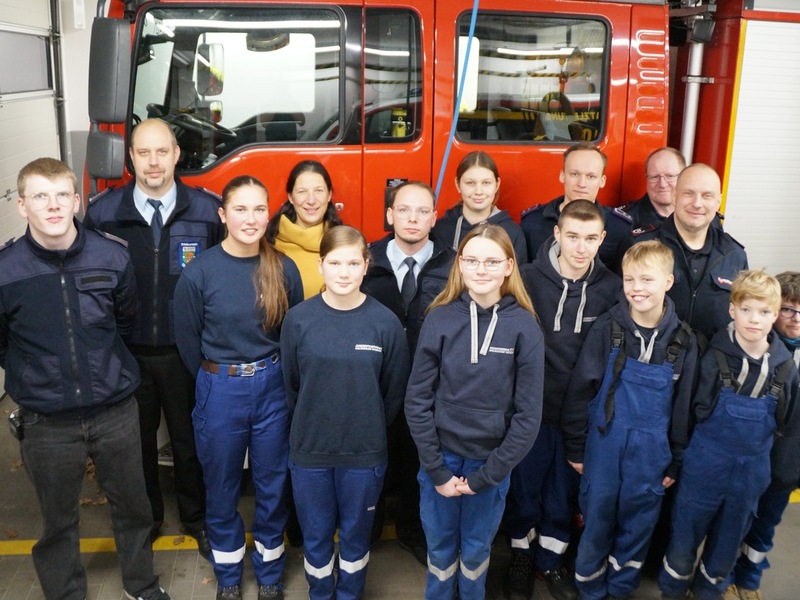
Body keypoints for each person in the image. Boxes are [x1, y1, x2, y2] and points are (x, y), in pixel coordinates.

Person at [0, 158, 170, 600]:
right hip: (46, 423)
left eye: (61, 195)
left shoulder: (111, 255)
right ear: (23, 206)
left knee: (134, 509)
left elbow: (127, 324)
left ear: (76, 200)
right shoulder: (6, 271)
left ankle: (142, 586)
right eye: (40, 196)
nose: (53, 206)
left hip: (115, 413)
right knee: (58, 520)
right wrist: (36, 377)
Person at [84, 118, 224, 555]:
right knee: (136, 446)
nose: (153, 162)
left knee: (189, 442)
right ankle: (146, 522)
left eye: (162, 151)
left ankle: (196, 519)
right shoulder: (103, 213)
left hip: (186, 354)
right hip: (127, 354)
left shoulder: (206, 212)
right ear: (131, 158)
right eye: (143, 153)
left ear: (177, 155)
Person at [174, 176, 304, 600]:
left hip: (272, 388)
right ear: (222, 215)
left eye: (258, 209)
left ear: (270, 214)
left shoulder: (283, 268)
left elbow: (295, 333)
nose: (251, 219)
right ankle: (229, 576)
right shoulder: (200, 272)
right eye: (241, 209)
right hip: (219, 387)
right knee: (222, 484)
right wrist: (218, 379)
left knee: (272, 483)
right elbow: (188, 343)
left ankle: (269, 574)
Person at [406, 224, 544, 600]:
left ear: (509, 267)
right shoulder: (439, 318)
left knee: (476, 551)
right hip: (441, 461)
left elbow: (528, 417)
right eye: (472, 260)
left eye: (491, 261)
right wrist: (436, 469)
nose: (481, 269)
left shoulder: (525, 328)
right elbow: (417, 400)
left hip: (491, 464)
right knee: (440, 551)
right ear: (460, 266)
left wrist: (489, 475)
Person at [561, 240, 698, 600]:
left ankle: (620, 590)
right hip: (603, 446)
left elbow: (684, 407)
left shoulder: (683, 341)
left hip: (652, 455)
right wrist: (576, 445)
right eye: (629, 279)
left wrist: (677, 457)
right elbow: (581, 390)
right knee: (596, 522)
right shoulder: (608, 328)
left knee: (638, 526)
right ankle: (589, 590)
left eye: (647, 280)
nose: (637, 288)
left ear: (668, 282)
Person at [280, 225, 410, 600]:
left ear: (366, 266)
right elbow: (291, 385)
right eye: (335, 262)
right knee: (316, 537)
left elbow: (393, 392)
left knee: (356, 537)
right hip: (310, 453)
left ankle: (350, 594)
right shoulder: (298, 320)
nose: (344, 272)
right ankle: (320, 593)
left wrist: (365, 424)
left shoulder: (384, 323)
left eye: (353, 262)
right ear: (320, 265)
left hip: (364, 454)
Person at [504, 200, 622, 600]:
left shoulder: (611, 288)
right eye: (572, 236)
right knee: (524, 489)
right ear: (556, 234)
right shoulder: (525, 279)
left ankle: (550, 561)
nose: (580, 247)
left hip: (579, 418)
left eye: (591, 238)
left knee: (562, 494)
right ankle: (520, 557)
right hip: (528, 415)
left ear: (602, 239)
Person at [658, 270, 800, 600]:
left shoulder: (785, 370)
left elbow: (786, 424)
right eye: (747, 309)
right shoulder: (711, 357)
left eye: (765, 312)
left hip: (750, 478)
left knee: (727, 543)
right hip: (703, 470)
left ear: (776, 315)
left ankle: (710, 591)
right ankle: (672, 590)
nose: (755, 319)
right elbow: (689, 413)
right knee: (683, 539)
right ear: (732, 310)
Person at [361, 180, 456, 563]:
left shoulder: (452, 264)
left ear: (434, 217)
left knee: (421, 459)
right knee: (373, 461)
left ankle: (413, 531)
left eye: (422, 211)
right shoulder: (367, 260)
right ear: (389, 215)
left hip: (429, 387)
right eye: (403, 210)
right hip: (374, 384)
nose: (412, 218)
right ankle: (364, 532)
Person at [723, 271, 800, 600]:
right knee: (732, 523)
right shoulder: (759, 350)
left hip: (787, 466)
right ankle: (722, 578)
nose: (795, 319)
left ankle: (749, 579)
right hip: (751, 459)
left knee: (765, 527)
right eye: (788, 309)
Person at [635, 163, 748, 342]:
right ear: (674, 196)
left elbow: (743, 318)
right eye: (688, 193)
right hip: (653, 360)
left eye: (707, 196)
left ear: (718, 201)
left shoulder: (734, 255)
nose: (697, 204)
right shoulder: (642, 245)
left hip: (711, 365)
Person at [520, 142, 632, 274]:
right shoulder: (532, 222)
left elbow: (623, 281)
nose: (581, 184)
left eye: (591, 176)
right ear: (562, 175)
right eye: (574, 174)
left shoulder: (619, 227)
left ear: (602, 181)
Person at [431, 150, 528, 263]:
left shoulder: (511, 232)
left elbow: (517, 279)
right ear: (458, 184)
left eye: (486, 183)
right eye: (470, 183)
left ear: (497, 185)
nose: (478, 191)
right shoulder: (440, 229)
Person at [265, 159, 343, 298]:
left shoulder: (344, 242)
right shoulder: (268, 242)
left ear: (329, 195)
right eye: (302, 191)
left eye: (319, 190)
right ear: (290, 197)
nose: (311, 200)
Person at [622, 147, 686, 234]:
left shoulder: (697, 216)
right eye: (654, 177)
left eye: (670, 176)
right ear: (646, 178)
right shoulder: (623, 222)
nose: (662, 184)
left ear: (684, 176)